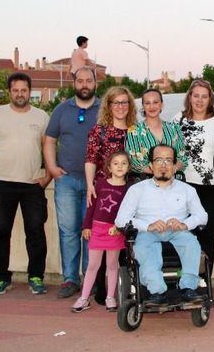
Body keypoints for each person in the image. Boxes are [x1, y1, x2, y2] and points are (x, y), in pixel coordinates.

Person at [0, 72, 51, 295]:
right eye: (16, 90)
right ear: (9, 92)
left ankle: (36, 276)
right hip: (2, 184)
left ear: (30, 92)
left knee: (36, 230)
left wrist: (47, 177)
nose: (20, 94)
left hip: (32, 185)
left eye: (24, 90)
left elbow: (49, 148)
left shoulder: (41, 116)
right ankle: (1, 277)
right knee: (1, 231)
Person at [114, 144, 208, 306]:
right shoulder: (137, 190)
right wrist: (147, 225)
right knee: (145, 248)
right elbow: (120, 219)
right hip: (147, 233)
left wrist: (184, 224)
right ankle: (156, 292)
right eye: (158, 160)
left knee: (191, 243)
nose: (163, 165)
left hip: (177, 231)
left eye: (168, 160)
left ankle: (188, 289)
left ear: (174, 165)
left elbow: (202, 216)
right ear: (151, 165)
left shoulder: (187, 190)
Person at [43, 66, 100, 299]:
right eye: (80, 81)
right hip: (66, 180)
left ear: (95, 83)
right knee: (68, 231)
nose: (84, 84)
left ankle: (90, 277)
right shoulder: (61, 109)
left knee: (91, 232)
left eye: (89, 80)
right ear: (74, 83)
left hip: (96, 182)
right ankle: (69, 279)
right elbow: (49, 140)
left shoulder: (104, 109)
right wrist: (52, 168)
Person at [84, 85, 136, 303]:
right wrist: (90, 185)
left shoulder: (136, 130)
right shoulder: (100, 131)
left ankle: (124, 289)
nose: (121, 107)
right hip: (104, 192)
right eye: (116, 102)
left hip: (128, 192)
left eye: (124, 102)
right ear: (109, 105)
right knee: (100, 243)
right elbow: (90, 159)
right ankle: (100, 290)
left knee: (124, 242)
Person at [175, 79, 214, 271]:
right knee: (186, 235)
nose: (199, 100)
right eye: (195, 95)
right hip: (185, 186)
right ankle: (186, 282)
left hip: (212, 188)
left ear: (210, 99)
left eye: (204, 96)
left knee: (207, 235)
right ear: (189, 97)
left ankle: (204, 283)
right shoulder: (178, 120)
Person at [71, 151, 130, 312]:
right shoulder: (101, 183)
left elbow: (129, 212)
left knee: (112, 265)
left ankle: (110, 297)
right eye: (115, 163)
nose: (119, 166)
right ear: (109, 167)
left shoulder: (128, 189)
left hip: (115, 232)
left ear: (128, 167)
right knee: (93, 265)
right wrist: (87, 226)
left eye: (123, 163)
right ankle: (84, 298)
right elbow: (91, 206)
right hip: (97, 229)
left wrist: (119, 228)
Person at [125, 89, 186, 183]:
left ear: (161, 104)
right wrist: (160, 173)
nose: (152, 106)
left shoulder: (174, 128)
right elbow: (133, 162)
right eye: (147, 103)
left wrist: (173, 170)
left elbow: (183, 157)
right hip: (146, 184)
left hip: (173, 184)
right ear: (143, 106)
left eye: (155, 102)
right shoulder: (134, 131)